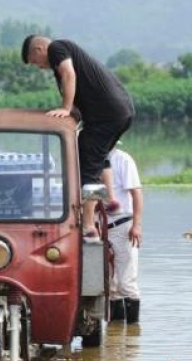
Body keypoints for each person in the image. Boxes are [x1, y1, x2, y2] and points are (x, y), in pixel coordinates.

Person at [22, 35, 135, 242]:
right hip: (120, 112)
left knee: (89, 167)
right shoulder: (66, 55)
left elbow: (69, 74)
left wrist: (65, 109)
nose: (39, 67)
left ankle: (89, 225)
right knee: (95, 155)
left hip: (107, 116)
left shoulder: (57, 48)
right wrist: (72, 112)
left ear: (39, 49)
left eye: (36, 62)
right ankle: (110, 201)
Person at [106, 145, 143, 324]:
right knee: (110, 286)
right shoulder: (92, 157)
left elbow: (136, 193)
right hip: (100, 226)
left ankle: (133, 330)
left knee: (126, 282)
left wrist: (136, 225)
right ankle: (115, 333)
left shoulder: (123, 159)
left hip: (122, 224)